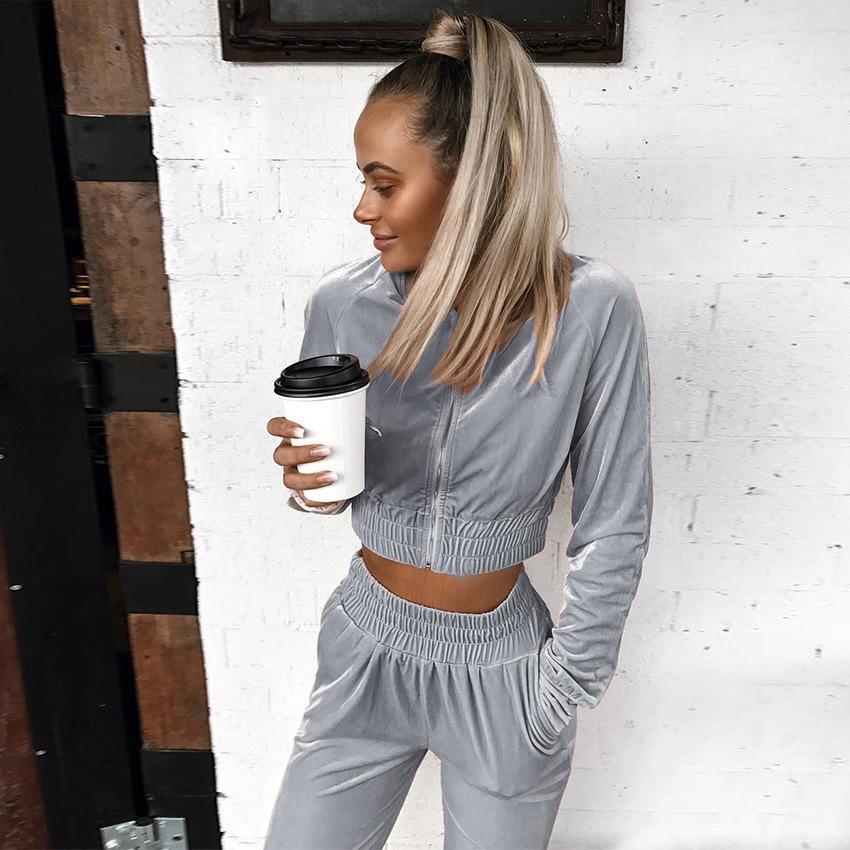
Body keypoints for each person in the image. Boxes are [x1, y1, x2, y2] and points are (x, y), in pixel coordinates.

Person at [264, 9, 653, 849]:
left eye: (384, 183)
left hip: (505, 673)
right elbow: (334, 485)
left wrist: (563, 689)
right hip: (365, 645)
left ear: (470, 182)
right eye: (364, 182)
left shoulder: (590, 310)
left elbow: (615, 518)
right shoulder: (343, 303)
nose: (362, 208)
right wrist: (311, 485)